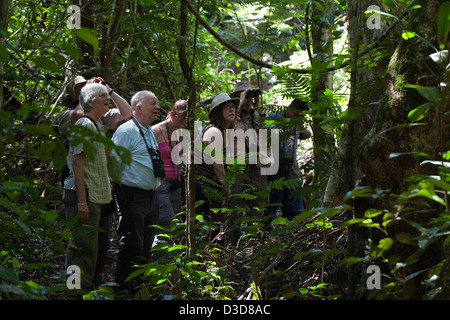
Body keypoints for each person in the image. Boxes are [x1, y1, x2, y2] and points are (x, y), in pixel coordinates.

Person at [63, 83, 113, 290]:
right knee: (80, 249)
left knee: (90, 249)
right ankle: (74, 291)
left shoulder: (96, 125)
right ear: (91, 101)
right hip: (84, 195)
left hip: (94, 196)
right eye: (103, 95)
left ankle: (82, 290)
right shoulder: (85, 125)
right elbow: (77, 162)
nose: (107, 98)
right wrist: (82, 202)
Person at [110, 90, 162, 290]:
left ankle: (138, 286)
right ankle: (123, 287)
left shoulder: (148, 130)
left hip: (150, 196)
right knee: (132, 243)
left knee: (146, 244)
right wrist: (111, 195)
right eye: (153, 104)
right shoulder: (126, 131)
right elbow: (114, 164)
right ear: (138, 107)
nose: (158, 107)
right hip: (131, 195)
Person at [226, 81, 269, 245]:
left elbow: (265, 135)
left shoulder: (256, 115)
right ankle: (231, 246)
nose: (248, 100)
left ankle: (254, 246)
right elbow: (229, 126)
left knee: (259, 206)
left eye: (250, 96)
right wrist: (239, 104)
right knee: (234, 209)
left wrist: (258, 107)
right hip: (238, 168)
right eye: (244, 96)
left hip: (256, 168)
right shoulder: (231, 115)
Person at [191, 93, 238, 241]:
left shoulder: (225, 132)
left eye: (233, 107)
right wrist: (226, 185)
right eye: (227, 107)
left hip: (208, 185)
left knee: (214, 225)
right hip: (198, 185)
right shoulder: (214, 131)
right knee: (206, 226)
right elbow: (218, 164)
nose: (232, 110)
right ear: (218, 112)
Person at [150, 100, 187, 258]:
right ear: (172, 115)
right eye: (181, 119)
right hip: (160, 184)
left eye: (186, 120)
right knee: (169, 224)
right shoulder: (156, 131)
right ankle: (157, 266)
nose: (183, 123)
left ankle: (167, 268)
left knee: (168, 228)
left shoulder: (179, 133)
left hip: (175, 185)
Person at [264, 98, 311, 222]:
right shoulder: (273, 116)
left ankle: (293, 229)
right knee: (272, 203)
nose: (297, 117)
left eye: (300, 115)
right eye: (295, 114)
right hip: (273, 166)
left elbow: (306, 133)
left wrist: (304, 132)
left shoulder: (297, 121)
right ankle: (267, 230)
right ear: (289, 107)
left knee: (294, 203)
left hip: (290, 166)